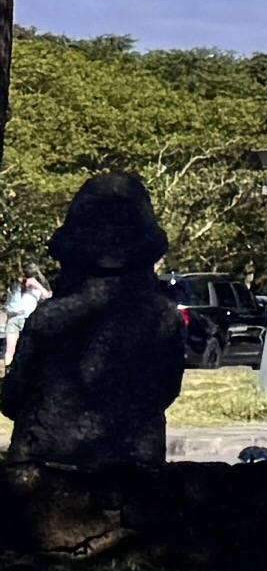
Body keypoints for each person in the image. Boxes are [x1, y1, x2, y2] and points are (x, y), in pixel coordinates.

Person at [4, 171, 191, 470]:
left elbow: (14, 397)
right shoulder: (163, 319)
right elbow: (165, 390)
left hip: (45, 464)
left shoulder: (49, 318)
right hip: (134, 467)